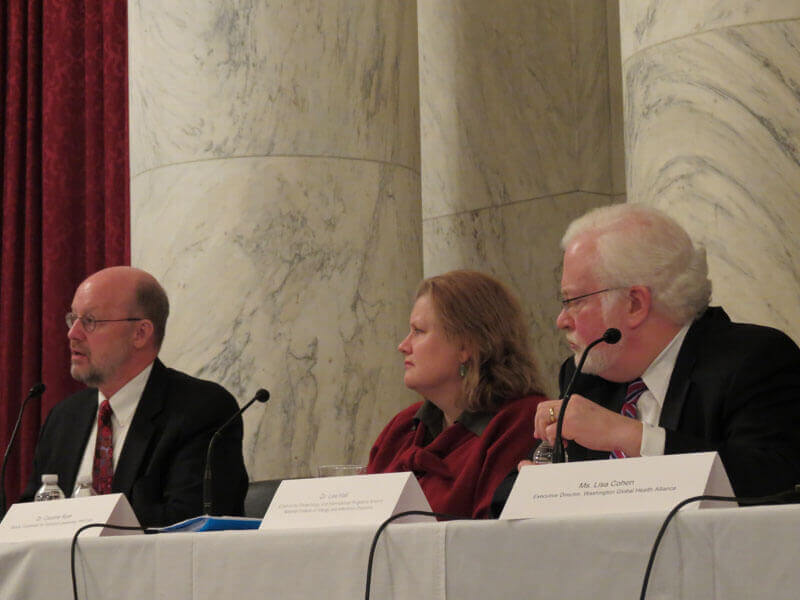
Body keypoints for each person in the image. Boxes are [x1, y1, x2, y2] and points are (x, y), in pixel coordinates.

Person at [492, 204, 800, 514]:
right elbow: (503, 500)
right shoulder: (588, 376)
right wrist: (541, 487)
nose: (561, 320)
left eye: (574, 301)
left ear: (635, 304)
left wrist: (630, 436)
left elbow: (773, 482)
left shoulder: (753, 359)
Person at [20, 266, 248, 526]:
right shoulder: (63, 418)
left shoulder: (200, 409)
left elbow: (191, 520)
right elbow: (28, 516)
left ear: (140, 333)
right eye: (73, 319)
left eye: (90, 321)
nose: (73, 334)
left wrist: (82, 521)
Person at [367, 270, 546, 518]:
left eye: (418, 331)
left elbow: (496, 540)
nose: (403, 346)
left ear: (466, 345)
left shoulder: (522, 422)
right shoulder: (402, 427)